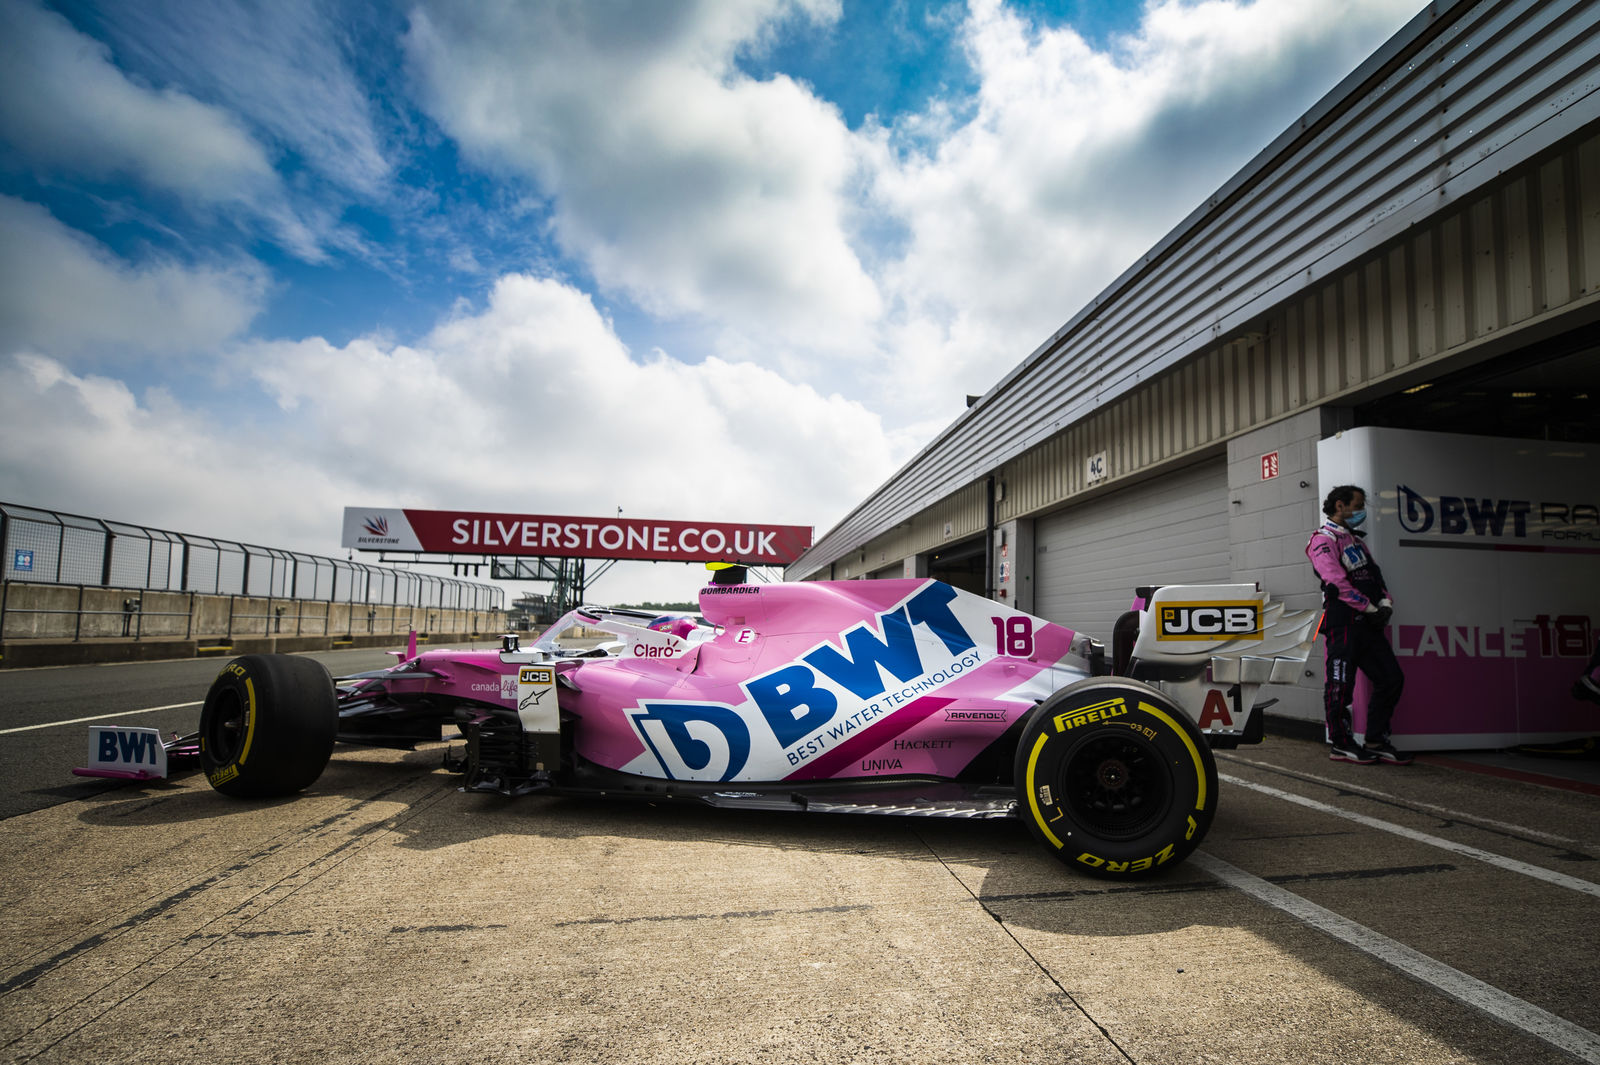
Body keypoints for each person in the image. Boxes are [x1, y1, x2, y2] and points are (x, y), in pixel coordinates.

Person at [1306, 485, 1411, 765]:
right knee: (1341, 685)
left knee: (1391, 678)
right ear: (1340, 506)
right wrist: (1369, 606)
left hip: (1369, 623)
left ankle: (1376, 739)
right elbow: (1336, 582)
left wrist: (1385, 604)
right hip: (1344, 622)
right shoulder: (1321, 541)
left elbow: (1375, 576)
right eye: (1358, 505)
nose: (1361, 511)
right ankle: (1341, 743)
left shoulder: (1356, 541)